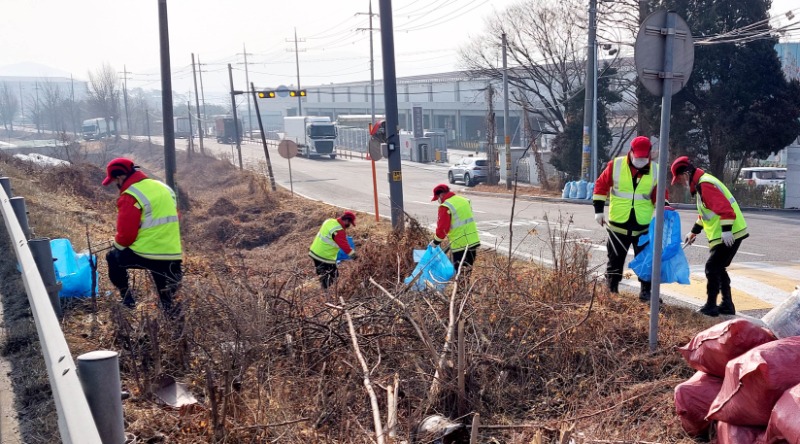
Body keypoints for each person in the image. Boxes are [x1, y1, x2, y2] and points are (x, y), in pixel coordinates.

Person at [102, 157, 183, 315]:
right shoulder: (163, 187)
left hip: (147, 254)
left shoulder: (130, 196)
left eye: (114, 181)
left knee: (112, 257)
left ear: (120, 177)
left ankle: (127, 299)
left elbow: (126, 237)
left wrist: (116, 247)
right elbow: (175, 217)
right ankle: (174, 328)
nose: (116, 186)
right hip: (173, 253)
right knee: (171, 304)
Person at [670, 156, 748, 317]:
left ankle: (711, 306)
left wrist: (726, 230)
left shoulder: (705, 184)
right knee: (719, 268)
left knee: (712, 268)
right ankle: (727, 305)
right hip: (727, 233)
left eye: (679, 180)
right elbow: (705, 214)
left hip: (728, 233)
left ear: (686, 174)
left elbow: (725, 209)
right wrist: (694, 232)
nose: (681, 184)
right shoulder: (701, 184)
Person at [592, 136, 664, 302]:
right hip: (619, 224)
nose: (640, 160)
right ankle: (612, 290)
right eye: (637, 157)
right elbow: (600, 186)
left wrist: (664, 207)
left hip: (642, 226)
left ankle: (646, 293)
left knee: (646, 260)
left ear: (650, 154)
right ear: (630, 152)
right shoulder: (616, 165)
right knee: (615, 259)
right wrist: (598, 210)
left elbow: (658, 194)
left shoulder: (655, 169)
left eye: (644, 157)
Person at [430, 184, 480, 275]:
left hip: (459, 245)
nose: (438, 201)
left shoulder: (445, 206)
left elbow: (442, 229)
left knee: (460, 274)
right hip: (473, 241)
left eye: (437, 198)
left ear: (441, 195)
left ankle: (461, 289)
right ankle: (466, 288)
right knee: (467, 272)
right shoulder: (464, 200)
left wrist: (435, 242)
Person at [308, 211, 357, 289]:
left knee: (323, 275)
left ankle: (324, 292)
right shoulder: (339, 231)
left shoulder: (329, 221)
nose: (349, 226)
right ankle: (327, 295)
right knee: (332, 276)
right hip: (324, 257)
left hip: (315, 252)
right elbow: (345, 246)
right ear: (347, 221)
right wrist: (354, 256)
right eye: (350, 224)